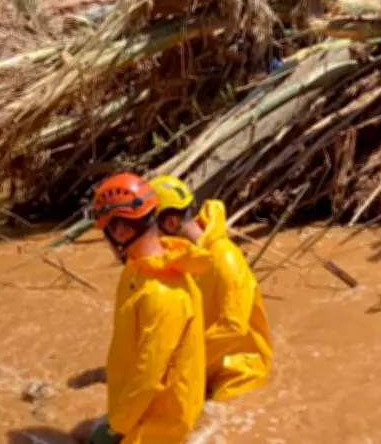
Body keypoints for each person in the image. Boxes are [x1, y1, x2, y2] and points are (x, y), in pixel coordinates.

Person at [88, 172, 212, 444]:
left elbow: (148, 375)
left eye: (105, 233)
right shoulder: (140, 268)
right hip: (140, 410)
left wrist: (117, 427)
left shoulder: (162, 293)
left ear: (121, 231)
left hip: (158, 425)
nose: (107, 243)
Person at [149, 175, 273, 401]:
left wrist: (182, 362)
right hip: (209, 366)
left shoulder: (225, 258)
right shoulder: (188, 258)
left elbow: (233, 326)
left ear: (171, 223)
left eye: (150, 230)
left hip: (239, 374)